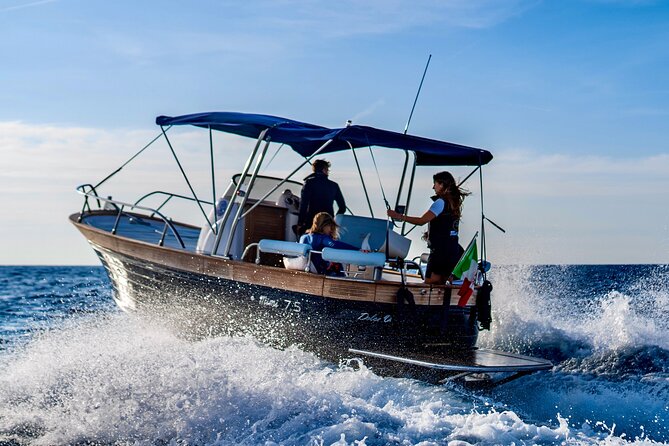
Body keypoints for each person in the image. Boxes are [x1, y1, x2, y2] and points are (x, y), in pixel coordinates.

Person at [387, 171, 470, 284]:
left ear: (441, 185)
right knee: (445, 284)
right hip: (453, 250)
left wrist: (399, 216)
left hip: (440, 252)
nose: (433, 187)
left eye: (435, 184)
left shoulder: (440, 202)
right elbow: (446, 224)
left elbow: (421, 221)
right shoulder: (453, 203)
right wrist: (430, 233)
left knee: (430, 283)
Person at [296, 159, 346, 236]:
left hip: (312, 223)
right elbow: (342, 208)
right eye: (328, 170)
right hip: (328, 225)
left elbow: (304, 205)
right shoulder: (334, 186)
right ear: (324, 170)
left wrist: (300, 223)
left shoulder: (309, 183)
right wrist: (332, 221)